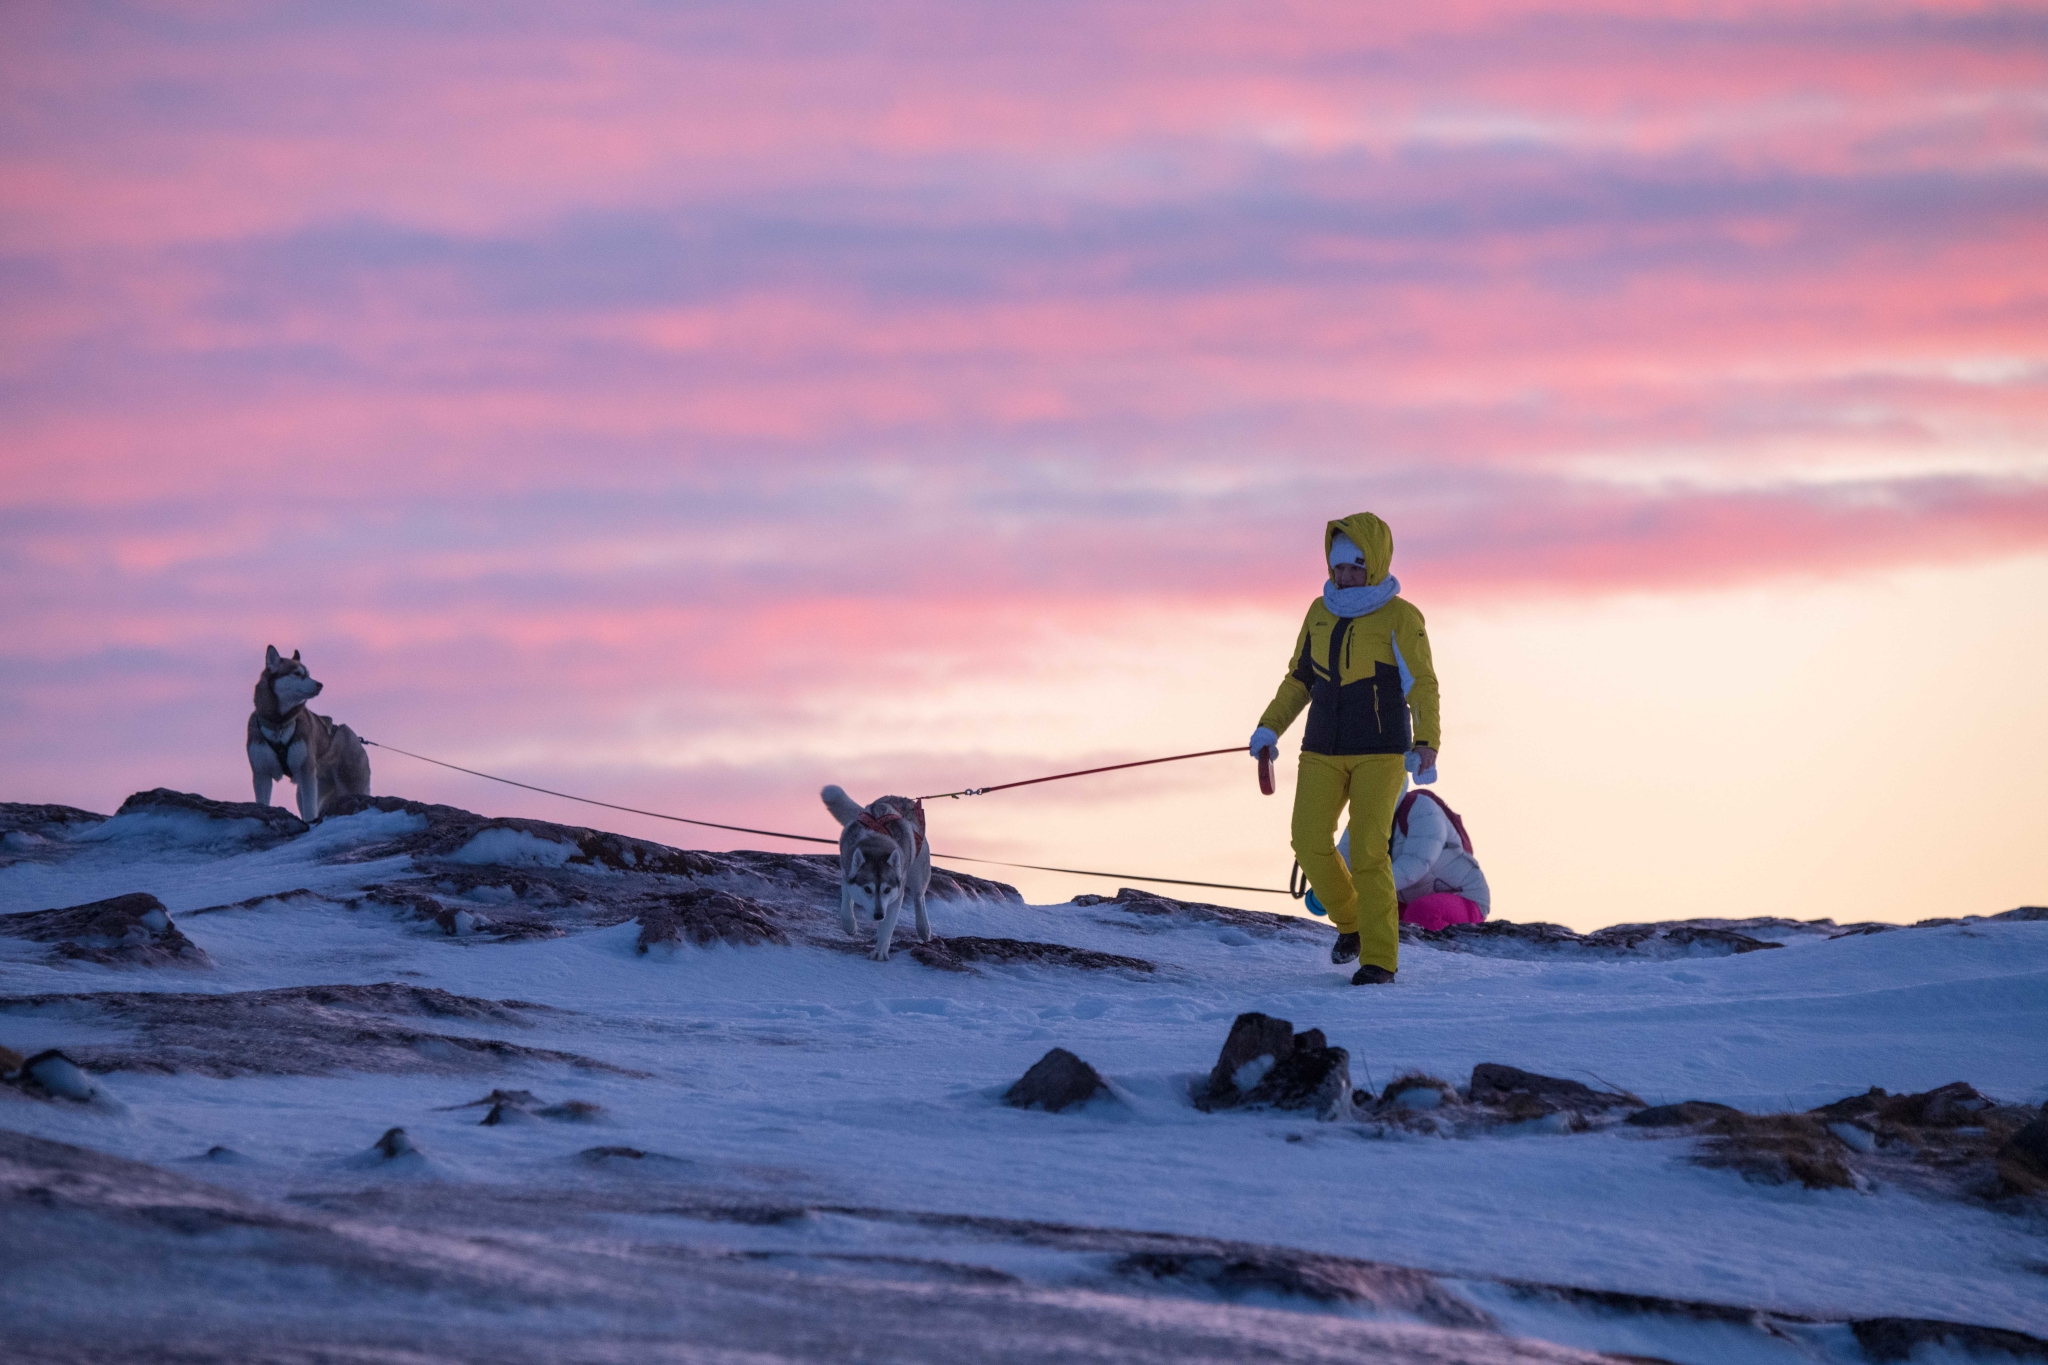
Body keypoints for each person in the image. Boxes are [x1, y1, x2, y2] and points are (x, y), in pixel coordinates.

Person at [1248, 513, 1438, 985]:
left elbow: (1422, 684)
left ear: (1372, 565)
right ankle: (1351, 923)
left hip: (1381, 751)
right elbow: (1300, 679)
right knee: (1308, 840)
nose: (1344, 577)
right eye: (1338, 568)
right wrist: (1269, 728)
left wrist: (1427, 742)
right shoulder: (1319, 610)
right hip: (1321, 748)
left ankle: (1379, 960)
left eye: (1354, 567)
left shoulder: (1401, 616)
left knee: (1371, 851)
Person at [1312, 786, 1489, 930]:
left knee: (1422, 912)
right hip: (1408, 902)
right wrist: (1328, 887)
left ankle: (1460, 957)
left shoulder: (1424, 809)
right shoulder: (1364, 818)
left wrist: (1361, 887)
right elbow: (1345, 858)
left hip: (1465, 898)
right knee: (1370, 918)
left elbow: (1416, 864)